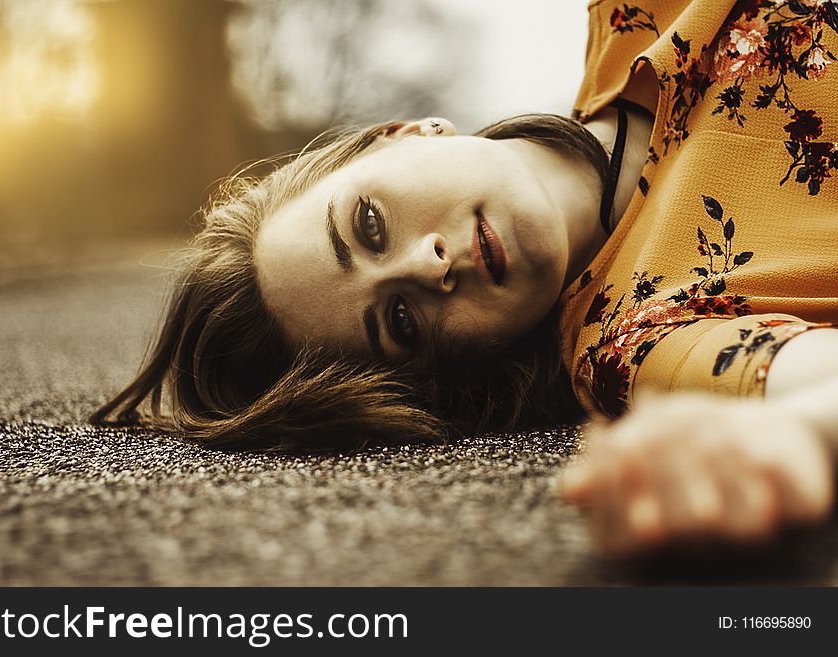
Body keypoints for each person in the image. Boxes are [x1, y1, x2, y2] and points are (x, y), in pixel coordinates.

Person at [94, 0, 838, 554]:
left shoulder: (634, 15)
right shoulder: (640, 340)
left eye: (370, 225)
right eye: (401, 323)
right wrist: (787, 438)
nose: (427, 266)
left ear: (404, 134)